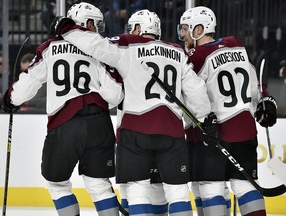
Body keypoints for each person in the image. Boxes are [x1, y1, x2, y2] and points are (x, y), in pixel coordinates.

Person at [51, 7, 217, 216]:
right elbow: (196, 89)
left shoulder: (127, 45)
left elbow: (95, 45)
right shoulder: (177, 51)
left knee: (137, 191)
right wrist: (204, 118)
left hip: (135, 131)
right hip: (172, 131)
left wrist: (68, 30)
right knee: (177, 193)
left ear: (138, 28)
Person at [2, 2, 124, 216]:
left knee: (57, 184)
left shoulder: (50, 47)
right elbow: (115, 95)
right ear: (86, 23)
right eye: (96, 25)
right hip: (99, 124)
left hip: (64, 124)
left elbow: (29, 83)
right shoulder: (99, 50)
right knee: (99, 185)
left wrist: (11, 99)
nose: (97, 30)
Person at [177, 6, 277, 216]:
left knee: (211, 189)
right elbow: (255, 82)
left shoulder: (195, 56)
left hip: (210, 134)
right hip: (245, 131)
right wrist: (266, 100)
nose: (183, 34)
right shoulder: (236, 46)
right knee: (246, 187)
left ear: (199, 30)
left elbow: (186, 94)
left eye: (186, 28)